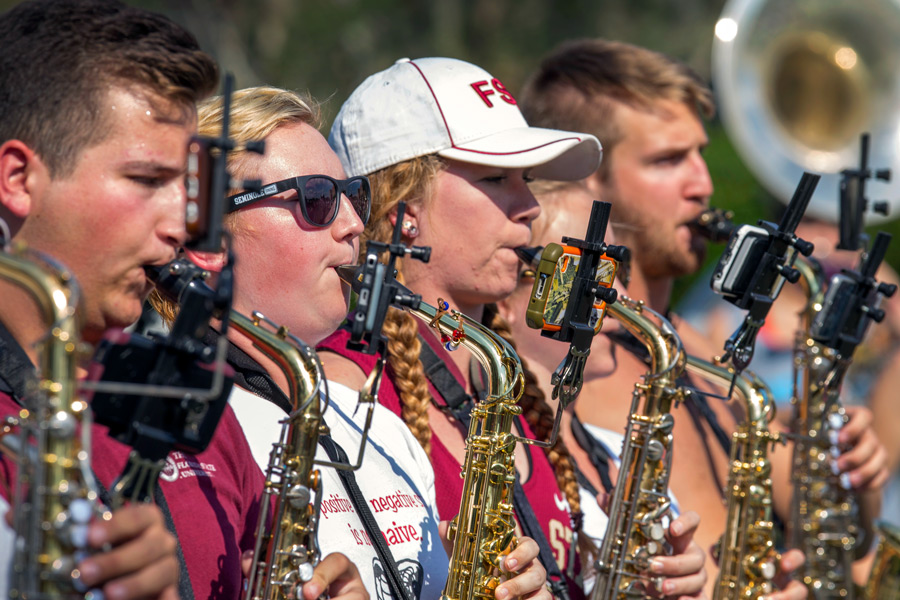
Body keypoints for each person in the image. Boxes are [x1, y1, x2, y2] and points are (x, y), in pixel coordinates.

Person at [318, 56, 707, 599]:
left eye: (526, 180)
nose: (527, 206)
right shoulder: (343, 389)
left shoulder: (513, 392)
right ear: (404, 210)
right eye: (497, 178)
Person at [517, 37, 888, 593]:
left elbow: (833, 530)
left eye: (699, 153)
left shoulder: (701, 349)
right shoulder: (564, 363)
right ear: (584, 175)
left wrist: (857, 478)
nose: (704, 184)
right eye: (668, 160)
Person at [157, 84, 549, 600]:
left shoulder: (385, 433)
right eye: (317, 199)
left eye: (354, 197)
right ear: (207, 237)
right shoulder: (178, 433)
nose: (354, 224)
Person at [0, 1, 262, 599]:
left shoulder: (192, 403)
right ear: (17, 178)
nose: (185, 225)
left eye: (189, 188)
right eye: (148, 181)